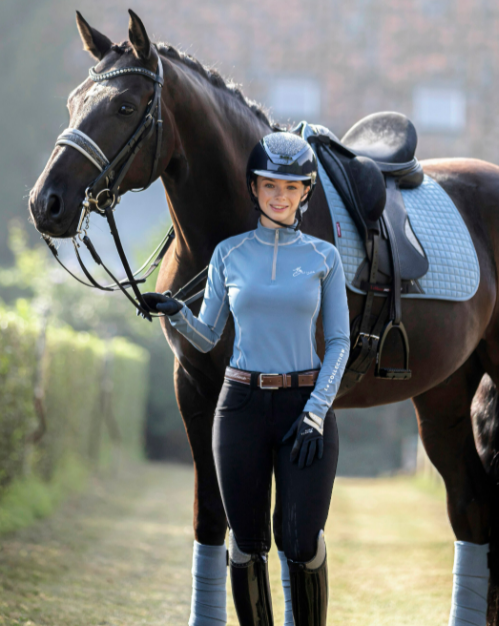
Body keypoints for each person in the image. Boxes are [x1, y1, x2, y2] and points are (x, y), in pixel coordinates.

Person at [142, 132, 350, 626]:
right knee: (247, 543)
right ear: (253, 189)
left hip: (305, 407)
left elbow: (339, 343)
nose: (280, 195)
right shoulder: (228, 255)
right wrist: (174, 312)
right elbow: (210, 334)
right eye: (270, 185)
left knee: (301, 542)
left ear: (306, 193)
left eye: (292, 187)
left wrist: (316, 412)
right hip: (239, 408)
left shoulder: (325, 258)